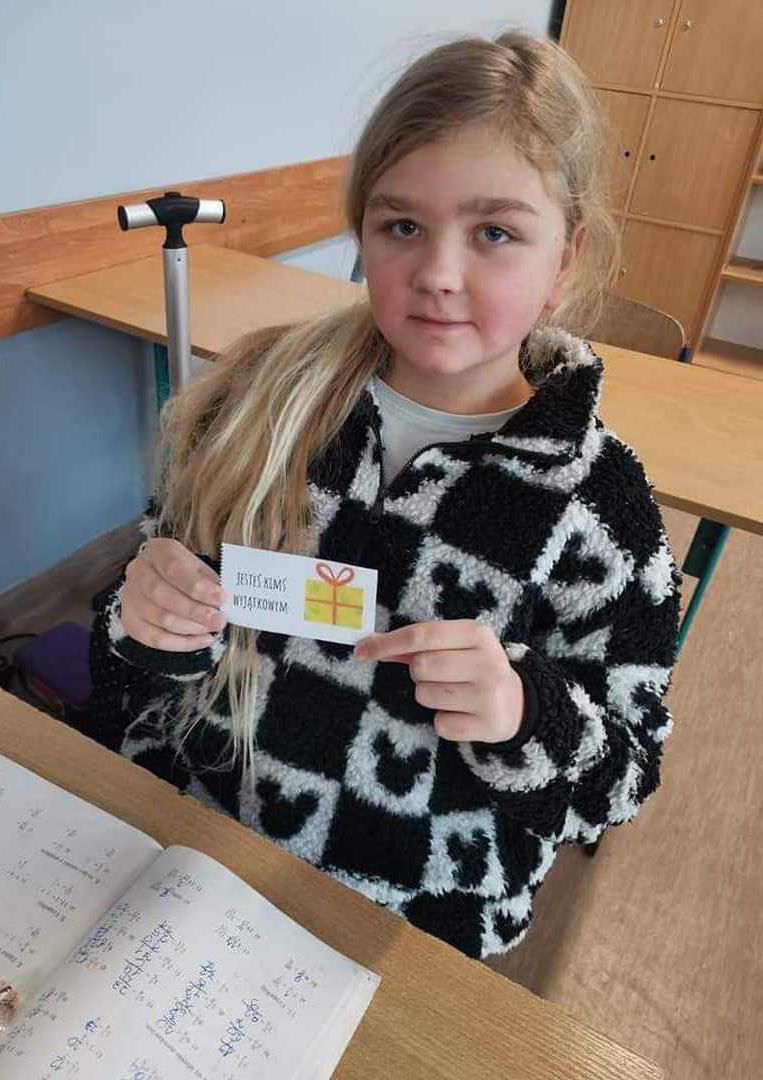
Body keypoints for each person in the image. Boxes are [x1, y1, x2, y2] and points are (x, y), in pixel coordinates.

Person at [84, 30, 682, 960]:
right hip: (195, 846)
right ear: (362, 235)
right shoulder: (256, 406)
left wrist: (524, 712)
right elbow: (133, 665)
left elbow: (623, 781)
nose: (438, 274)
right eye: (402, 226)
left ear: (566, 260)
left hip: (413, 917)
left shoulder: (600, 510)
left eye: (495, 233)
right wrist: (142, 623)